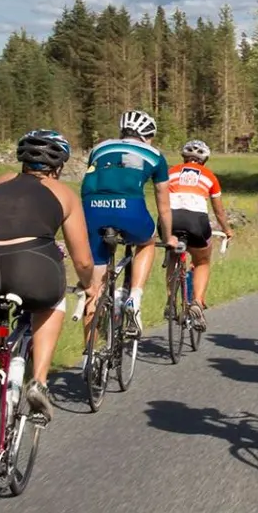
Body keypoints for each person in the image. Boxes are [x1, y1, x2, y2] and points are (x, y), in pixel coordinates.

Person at [0, 130, 93, 424]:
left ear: (22, 159)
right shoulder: (64, 193)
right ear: (59, 165)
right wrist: (90, 286)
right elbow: (82, 259)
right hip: (33, 261)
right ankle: (38, 381)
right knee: (53, 302)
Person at [79, 110, 173, 340]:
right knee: (147, 242)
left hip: (91, 208)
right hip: (129, 207)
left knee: (95, 289)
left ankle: (88, 359)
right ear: (148, 135)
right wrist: (168, 237)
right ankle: (134, 297)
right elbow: (164, 206)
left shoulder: (99, 148)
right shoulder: (155, 155)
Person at [165, 139, 233, 329]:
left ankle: (170, 301)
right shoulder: (209, 176)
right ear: (204, 160)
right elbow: (218, 211)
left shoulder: (170, 172)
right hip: (196, 220)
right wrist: (227, 229)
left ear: (184, 157)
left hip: (170, 218)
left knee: (172, 256)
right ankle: (197, 302)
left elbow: (160, 197)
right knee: (202, 261)